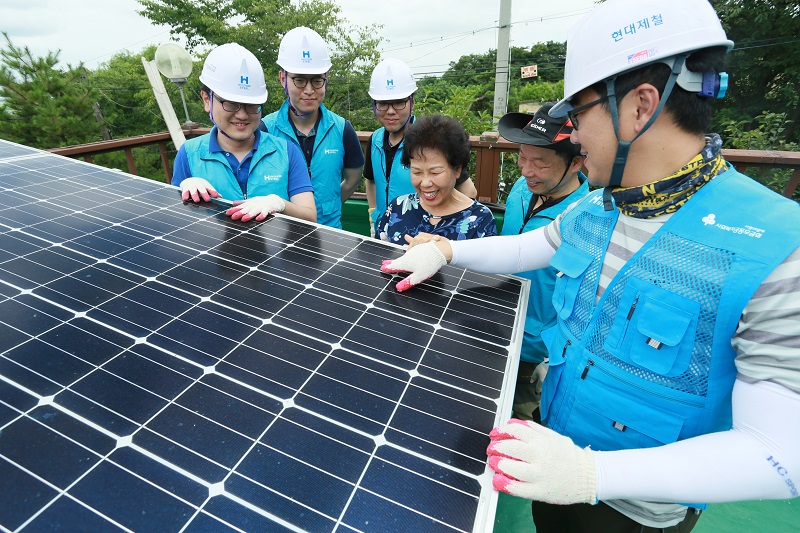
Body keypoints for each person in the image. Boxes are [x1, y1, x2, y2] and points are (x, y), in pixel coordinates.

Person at [380, 0, 800, 531]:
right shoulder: (603, 206)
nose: (572, 136)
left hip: (638, 511)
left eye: (577, 115)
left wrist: (589, 474)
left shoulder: (777, 249)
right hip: (553, 462)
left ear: (640, 106)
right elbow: (523, 249)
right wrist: (444, 250)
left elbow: (778, 456)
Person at [497, 102, 590, 422]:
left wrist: (553, 358)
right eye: (522, 157)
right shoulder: (523, 188)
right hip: (499, 329)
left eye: (540, 162)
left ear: (576, 162)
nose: (525, 170)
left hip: (537, 353)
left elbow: (587, 303)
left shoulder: (587, 219)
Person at [172, 43, 316, 223]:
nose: (242, 114)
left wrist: (280, 204)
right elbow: (178, 220)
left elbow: (310, 216)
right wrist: (182, 189)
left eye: (251, 105)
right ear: (207, 99)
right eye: (230, 103)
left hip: (276, 250)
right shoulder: (189, 154)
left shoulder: (287, 152)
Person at [262, 26, 364, 229]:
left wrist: (330, 206)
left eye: (317, 80)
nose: (309, 90)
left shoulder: (342, 129)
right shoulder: (266, 130)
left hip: (330, 233)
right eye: (299, 80)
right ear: (283, 78)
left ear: (326, 80)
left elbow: (353, 179)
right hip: (281, 233)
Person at [365, 58, 476, 237]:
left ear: (412, 102)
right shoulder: (375, 140)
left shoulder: (431, 142)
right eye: (383, 103)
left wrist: (448, 229)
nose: (391, 110)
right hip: (385, 230)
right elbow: (370, 180)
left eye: (399, 102)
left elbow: (468, 191)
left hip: (422, 235)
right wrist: (373, 214)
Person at [376, 114, 496, 244]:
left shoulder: (480, 219)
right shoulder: (398, 207)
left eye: (435, 172)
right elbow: (377, 256)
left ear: (457, 170)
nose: (426, 183)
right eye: (417, 171)